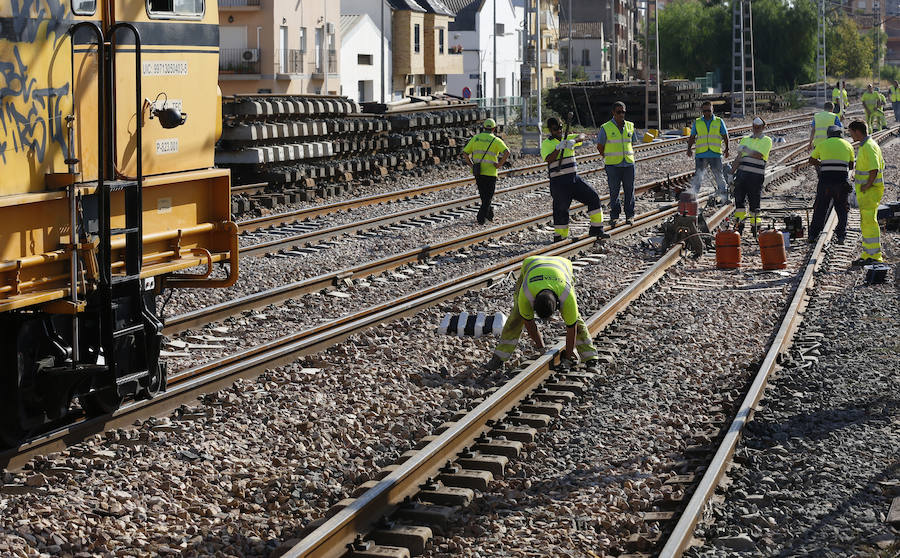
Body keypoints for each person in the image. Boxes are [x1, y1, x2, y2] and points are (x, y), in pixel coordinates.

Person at [484, 255, 599, 371]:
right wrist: (541, 348)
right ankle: (499, 357)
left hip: (563, 266)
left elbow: (572, 327)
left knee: (576, 319)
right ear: (533, 303)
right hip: (531, 264)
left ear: (559, 305)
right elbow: (529, 323)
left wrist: (568, 358)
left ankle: (590, 357)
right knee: (517, 315)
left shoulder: (566, 295)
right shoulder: (526, 294)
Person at [540, 117, 609, 241]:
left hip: (573, 179)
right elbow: (548, 159)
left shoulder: (568, 138)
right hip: (558, 183)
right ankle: (560, 237)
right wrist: (558, 148)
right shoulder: (546, 144)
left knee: (593, 198)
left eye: (561, 127)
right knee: (561, 210)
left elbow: (583, 135)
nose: (559, 131)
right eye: (556, 129)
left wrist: (574, 140)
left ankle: (597, 229)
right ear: (550, 130)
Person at [847, 120, 886, 266]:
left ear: (857, 131)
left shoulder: (869, 146)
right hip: (868, 191)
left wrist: (867, 185)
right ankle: (867, 253)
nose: (850, 136)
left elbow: (874, 169)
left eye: (851, 132)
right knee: (866, 222)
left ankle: (875, 256)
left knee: (869, 222)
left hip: (870, 191)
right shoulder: (866, 145)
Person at [807, 125, 854, 243]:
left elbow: (811, 160)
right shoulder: (848, 145)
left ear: (828, 134)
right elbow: (851, 165)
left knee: (820, 208)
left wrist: (822, 163)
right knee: (842, 209)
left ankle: (813, 235)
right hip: (841, 183)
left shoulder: (822, 144)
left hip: (825, 182)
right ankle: (841, 236)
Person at [461, 118, 510, 224]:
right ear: (494, 128)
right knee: (488, 197)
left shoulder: (476, 138)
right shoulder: (496, 140)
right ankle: (481, 218)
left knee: (484, 196)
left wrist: (471, 165)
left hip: (478, 172)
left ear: (483, 127)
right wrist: (499, 165)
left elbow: (465, 153)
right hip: (491, 173)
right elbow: (507, 152)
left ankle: (490, 215)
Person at [596, 101, 637, 227]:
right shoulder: (606, 127)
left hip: (628, 164)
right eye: (618, 112)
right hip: (613, 165)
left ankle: (629, 215)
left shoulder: (630, 126)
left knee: (629, 190)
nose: (621, 114)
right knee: (614, 191)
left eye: (623, 112)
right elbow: (600, 146)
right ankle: (615, 215)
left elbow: (633, 142)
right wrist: (606, 156)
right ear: (613, 113)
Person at [731, 117, 773, 237]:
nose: (756, 129)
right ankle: (739, 227)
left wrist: (746, 150)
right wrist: (731, 174)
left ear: (763, 127)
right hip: (741, 177)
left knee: (755, 204)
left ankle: (755, 229)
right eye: (754, 127)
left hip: (755, 178)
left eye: (758, 127)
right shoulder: (745, 139)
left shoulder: (767, 140)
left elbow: (759, 155)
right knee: (739, 204)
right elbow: (738, 158)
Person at [686, 101, 731, 204]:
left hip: (715, 153)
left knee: (718, 175)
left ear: (712, 110)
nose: (706, 113)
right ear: (702, 111)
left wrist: (727, 149)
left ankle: (724, 196)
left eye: (708, 110)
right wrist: (689, 149)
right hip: (701, 154)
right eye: (704, 111)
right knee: (698, 176)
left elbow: (725, 135)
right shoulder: (697, 122)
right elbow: (692, 136)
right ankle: (693, 197)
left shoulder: (719, 121)